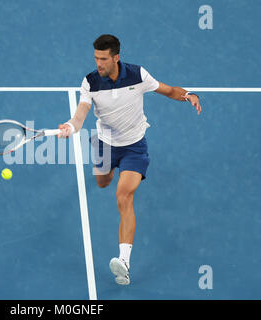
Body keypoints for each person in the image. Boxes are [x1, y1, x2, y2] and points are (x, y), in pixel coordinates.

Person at [57, 34, 202, 285]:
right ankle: (110, 170)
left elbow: (168, 90)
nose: (98, 63)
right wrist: (71, 125)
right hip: (104, 144)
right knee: (103, 182)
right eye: (95, 58)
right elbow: (81, 114)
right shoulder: (90, 82)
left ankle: (123, 261)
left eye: (103, 59)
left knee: (123, 196)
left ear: (116, 57)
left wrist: (188, 93)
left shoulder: (138, 75)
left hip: (134, 147)